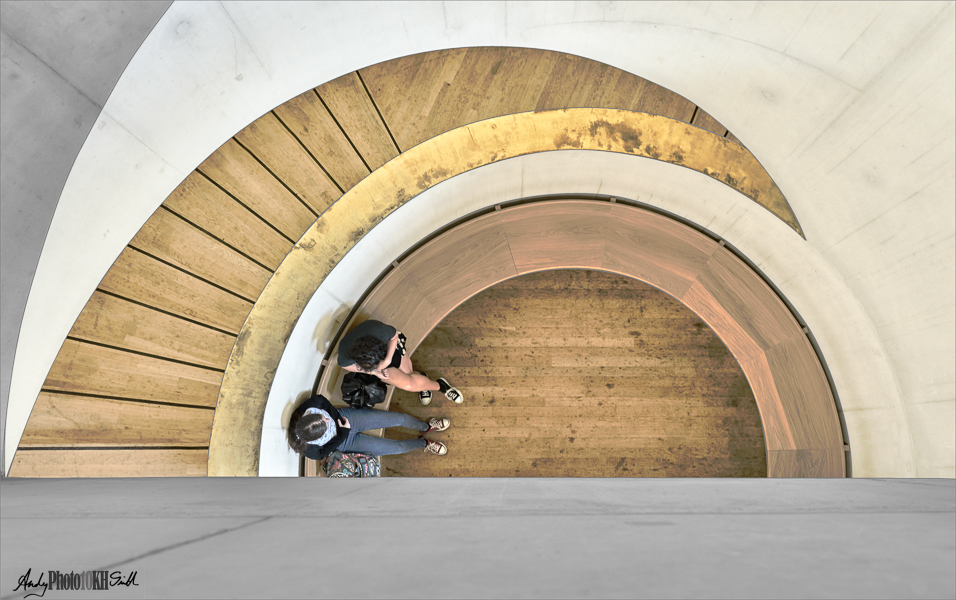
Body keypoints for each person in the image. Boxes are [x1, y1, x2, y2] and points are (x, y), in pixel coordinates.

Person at [337, 319, 463, 405]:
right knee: (410, 384)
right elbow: (345, 365)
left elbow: (394, 336)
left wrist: (387, 360)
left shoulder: (378, 331)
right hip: (378, 363)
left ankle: (435, 385)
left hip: (390, 349)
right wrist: (374, 371)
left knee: (409, 373)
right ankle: (438, 386)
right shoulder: (346, 352)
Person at [288, 394, 450, 460]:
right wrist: (343, 434)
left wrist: (337, 419)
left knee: (399, 418)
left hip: (344, 418)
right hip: (344, 442)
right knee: (397, 448)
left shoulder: (310, 407)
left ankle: (426, 427)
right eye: (325, 425)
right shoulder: (309, 450)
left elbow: (322, 401)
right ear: (316, 438)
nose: (327, 420)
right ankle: (425, 443)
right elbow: (324, 452)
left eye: (323, 417)